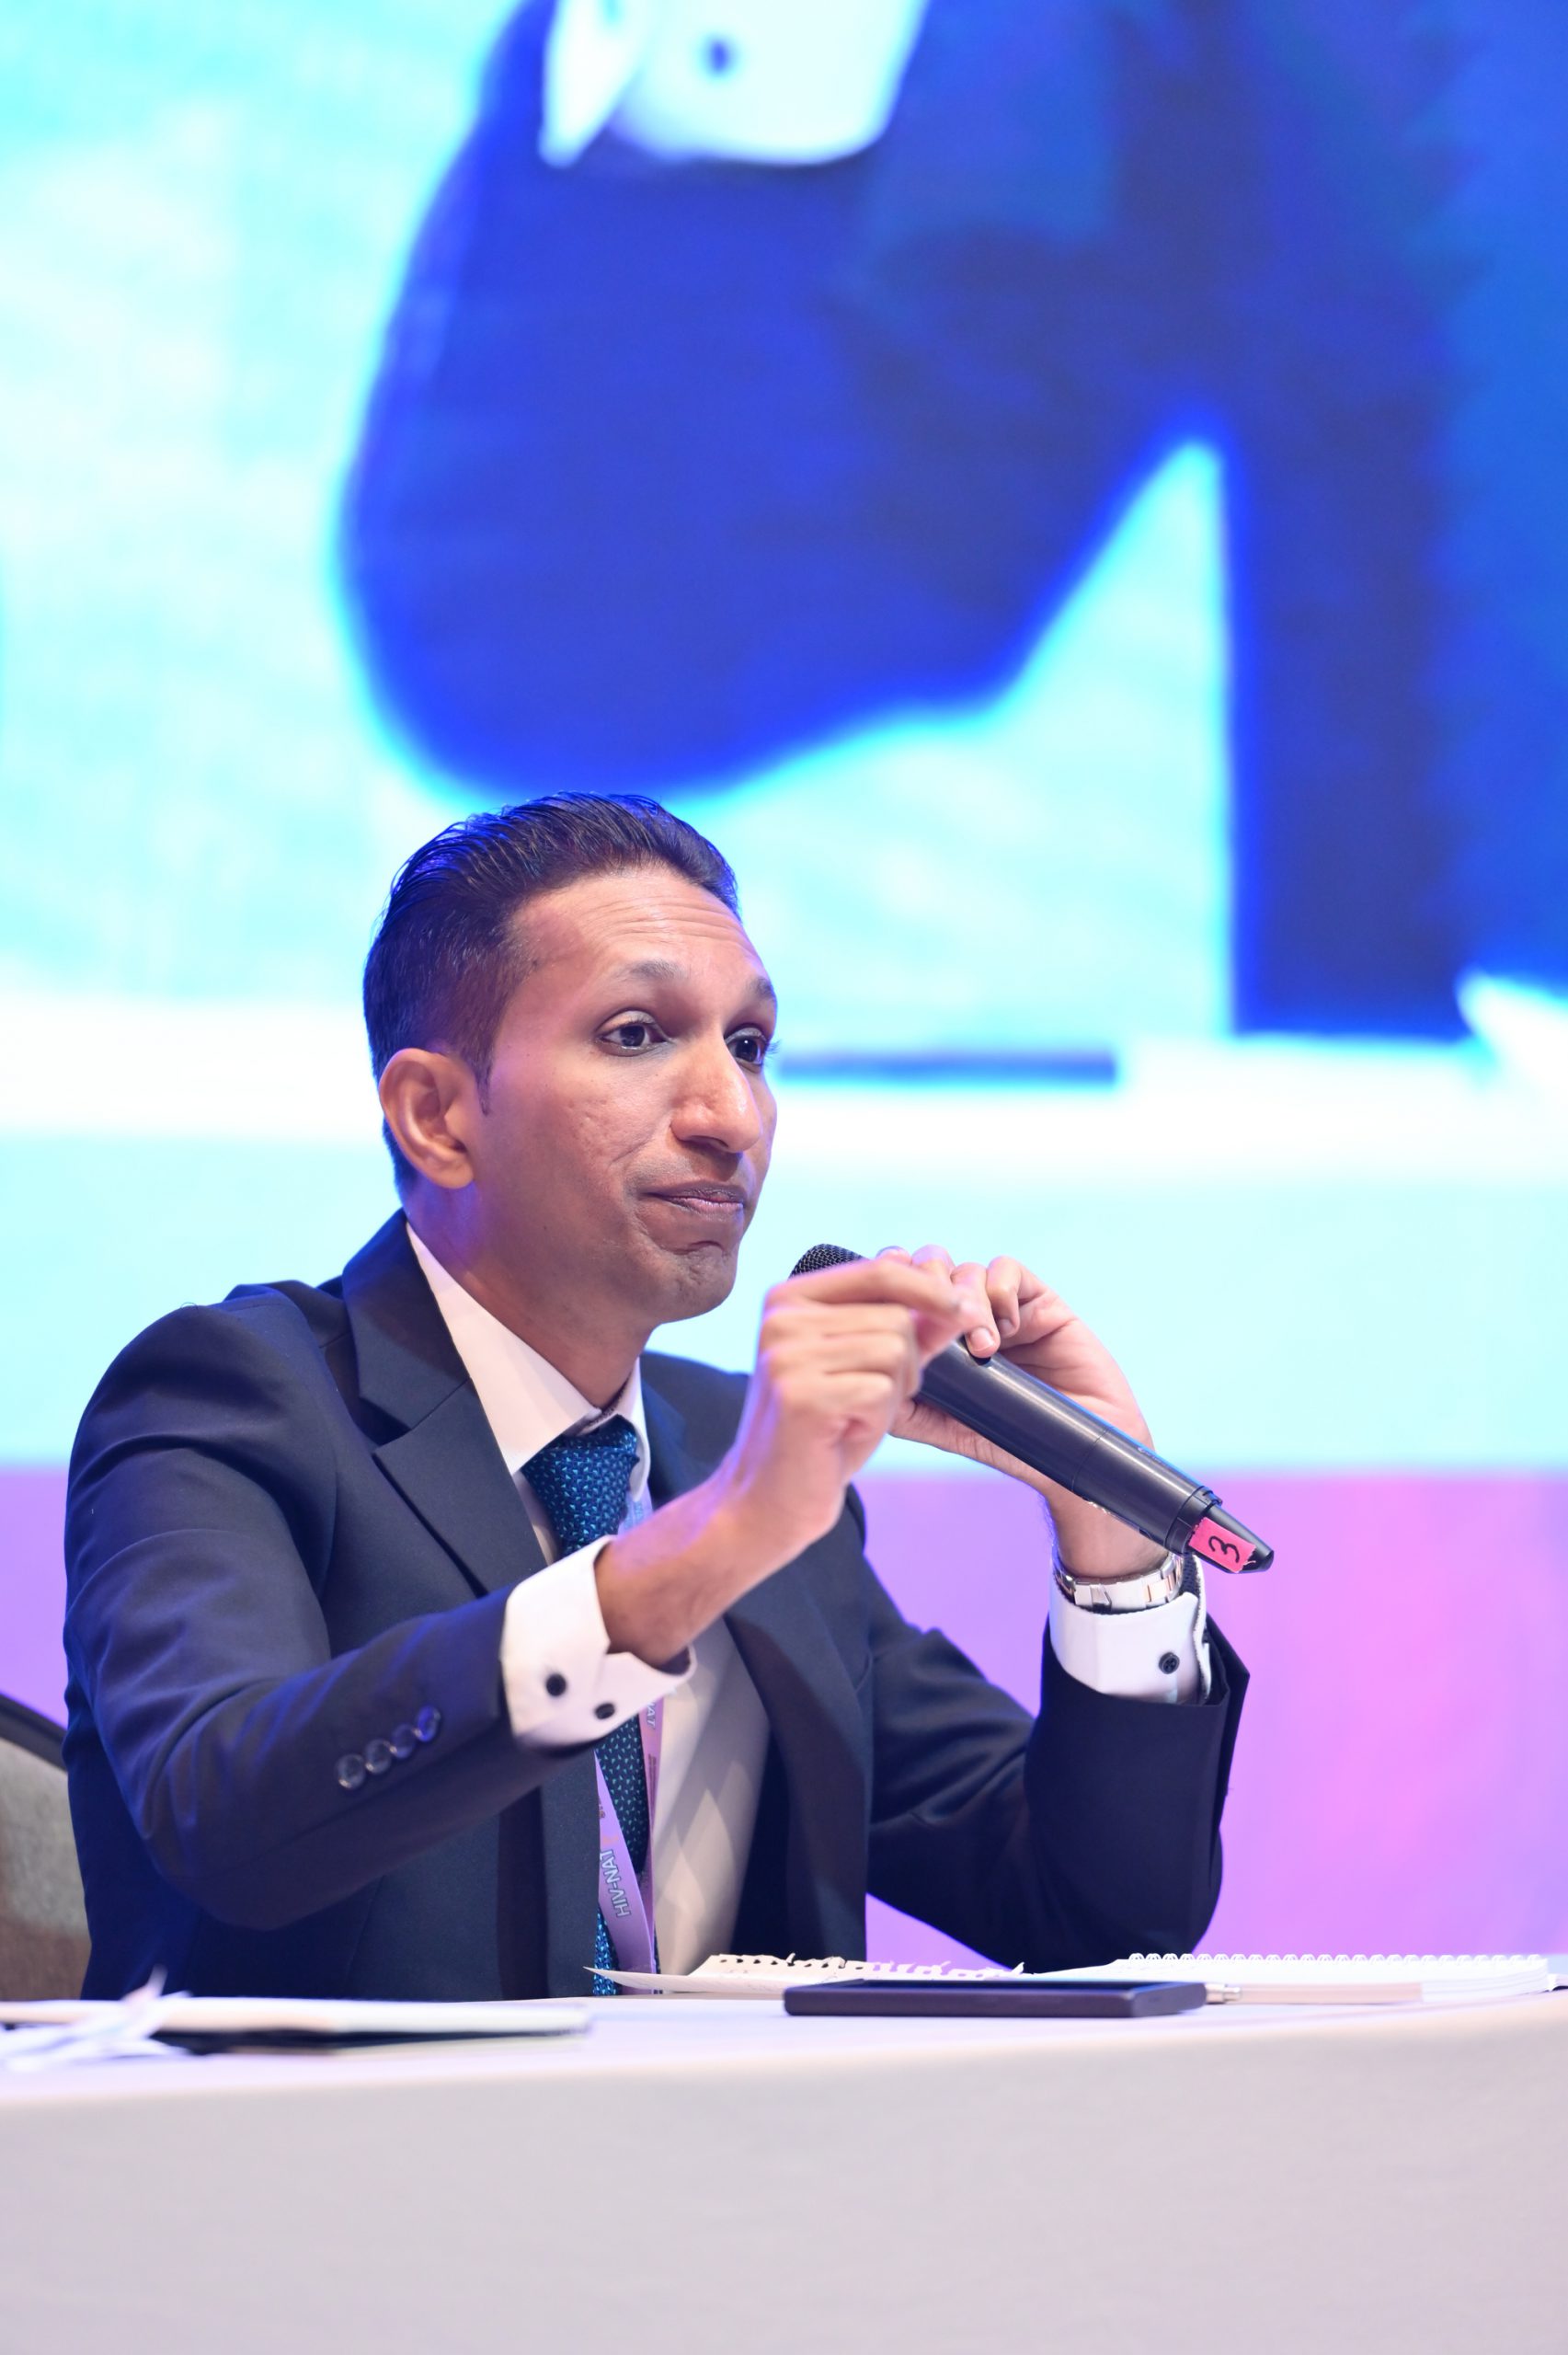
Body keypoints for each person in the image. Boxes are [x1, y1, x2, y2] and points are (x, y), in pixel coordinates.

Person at [63, 796, 1245, 2001]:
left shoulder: (734, 1451)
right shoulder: (233, 1397)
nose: (730, 1117)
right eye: (635, 1035)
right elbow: (225, 1822)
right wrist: (706, 1547)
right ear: (436, 1117)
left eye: (750, 1046)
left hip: (732, 2133)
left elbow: (1094, 1915)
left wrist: (1110, 1537)